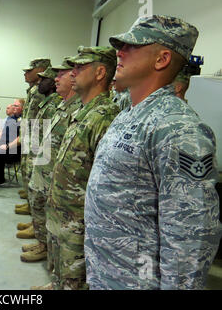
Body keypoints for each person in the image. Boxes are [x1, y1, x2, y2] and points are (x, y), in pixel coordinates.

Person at [84, 15, 222, 290]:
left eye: (132, 46)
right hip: (107, 272)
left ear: (162, 59)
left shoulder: (178, 127)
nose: (119, 52)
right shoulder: (131, 113)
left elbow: (191, 235)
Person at [44, 46, 120, 290]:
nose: (72, 73)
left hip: (79, 223)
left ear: (100, 73)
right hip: (63, 216)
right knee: (60, 276)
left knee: (74, 283)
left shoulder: (105, 116)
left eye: (79, 67)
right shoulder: (83, 112)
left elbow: (106, 185)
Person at [22, 57, 82, 258]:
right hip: (43, 164)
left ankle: (45, 246)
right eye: (53, 76)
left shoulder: (73, 108)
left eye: (60, 75)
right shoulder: (60, 106)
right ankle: (42, 242)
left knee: (52, 215)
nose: (54, 80)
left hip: (55, 173)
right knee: (40, 205)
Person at [19, 66, 62, 257]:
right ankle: (39, 235)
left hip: (46, 158)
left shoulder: (54, 104)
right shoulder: (48, 101)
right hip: (37, 151)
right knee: (35, 194)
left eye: (44, 79)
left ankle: (42, 242)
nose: (40, 82)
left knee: (41, 199)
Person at [19, 58, 51, 201]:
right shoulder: (34, 89)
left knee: (33, 171)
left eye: (29, 71)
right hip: (28, 136)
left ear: (40, 70)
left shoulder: (43, 90)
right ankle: (28, 200)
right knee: (26, 169)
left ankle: (32, 207)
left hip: (36, 138)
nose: (26, 74)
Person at [0, 99, 24, 187]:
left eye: (16, 106)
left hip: (14, 149)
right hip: (3, 145)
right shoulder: (10, 118)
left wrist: (7, 146)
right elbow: (2, 134)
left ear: (23, 108)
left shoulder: (23, 119)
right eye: (13, 105)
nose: (14, 107)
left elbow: (21, 138)